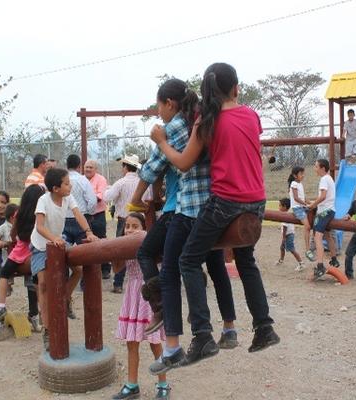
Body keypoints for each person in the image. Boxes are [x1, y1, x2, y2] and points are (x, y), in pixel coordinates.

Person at [150, 62, 279, 370]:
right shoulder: (252, 115)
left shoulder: (207, 122)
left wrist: (162, 142)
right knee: (246, 261)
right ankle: (264, 328)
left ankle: (203, 336)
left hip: (225, 200)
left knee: (188, 260)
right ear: (236, 88)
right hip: (257, 200)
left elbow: (183, 163)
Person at [131, 79, 238, 376]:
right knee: (216, 266)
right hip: (215, 207)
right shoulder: (200, 119)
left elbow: (156, 165)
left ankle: (174, 346)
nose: (158, 114)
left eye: (159, 107)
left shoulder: (177, 126)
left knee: (171, 271)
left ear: (169, 103)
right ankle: (229, 329)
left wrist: (136, 198)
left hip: (189, 207)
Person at [30, 168, 98, 351]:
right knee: (43, 284)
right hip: (41, 245)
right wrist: (53, 238)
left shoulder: (68, 198)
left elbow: (78, 215)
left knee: (78, 270)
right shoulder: (43, 200)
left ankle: (64, 298)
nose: (70, 186)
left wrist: (89, 232)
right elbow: (39, 227)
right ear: (55, 188)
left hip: (58, 242)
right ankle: (47, 329)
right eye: (67, 183)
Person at [112, 212, 170, 400]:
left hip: (148, 295)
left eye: (135, 226)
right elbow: (116, 268)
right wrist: (116, 249)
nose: (130, 230)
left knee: (155, 342)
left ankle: (163, 385)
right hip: (131, 295)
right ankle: (132, 385)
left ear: (144, 229)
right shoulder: (124, 244)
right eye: (127, 226)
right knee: (132, 343)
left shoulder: (149, 244)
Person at [0, 189, 43, 340]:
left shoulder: (18, 215)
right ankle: (38, 313)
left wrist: (14, 241)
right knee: (34, 281)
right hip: (31, 255)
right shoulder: (39, 216)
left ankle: (1, 307)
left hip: (16, 254)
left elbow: (14, 234)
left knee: (3, 275)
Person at [63, 154, 97, 318]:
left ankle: (63, 295)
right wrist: (89, 215)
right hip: (80, 219)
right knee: (87, 257)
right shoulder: (83, 180)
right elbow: (91, 201)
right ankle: (85, 286)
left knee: (61, 258)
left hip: (63, 220)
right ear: (79, 166)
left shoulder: (62, 180)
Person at [104, 155, 143, 294]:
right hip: (140, 220)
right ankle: (142, 281)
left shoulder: (121, 182)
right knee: (142, 250)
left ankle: (118, 283)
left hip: (124, 220)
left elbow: (107, 197)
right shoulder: (142, 182)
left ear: (125, 167)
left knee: (120, 251)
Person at [307, 159, 340, 280]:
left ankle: (320, 265)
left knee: (317, 238)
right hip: (330, 210)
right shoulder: (330, 178)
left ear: (322, 168)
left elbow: (323, 196)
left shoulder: (324, 179)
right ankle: (334, 259)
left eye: (316, 166)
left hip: (323, 212)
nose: (314, 169)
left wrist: (313, 205)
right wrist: (314, 202)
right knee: (327, 236)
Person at [83, 159, 112, 279]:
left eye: (90, 167)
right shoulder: (81, 179)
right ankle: (89, 268)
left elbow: (101, 196)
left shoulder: (101, 179)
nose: (88, 169)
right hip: (85, 215)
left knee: (101, 239)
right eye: (86, 167)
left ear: (96, 169)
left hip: (98, 214)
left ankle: (105, 269)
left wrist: (87, 199)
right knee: (85, 241)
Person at [288, 166, 314, 261]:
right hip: (297, 208)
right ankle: (307, 250)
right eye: (301, 174)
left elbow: (303, 197)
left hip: (302, 206)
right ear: (295, 175)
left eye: (303, 173)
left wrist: (311, 203)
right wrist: (306, 205)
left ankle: (314, 243)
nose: (303, 175)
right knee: (307, 226)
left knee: (315, 216)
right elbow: (296, 198)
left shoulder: (300, 184)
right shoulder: (294, 184)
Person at [276, 198, 304, 271]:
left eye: (280, 206)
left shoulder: (285, 216)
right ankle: (281, 260)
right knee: (282, 247)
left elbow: (285, 227)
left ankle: (301, 263)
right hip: (288, 234)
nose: (278, 207)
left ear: (284, 207)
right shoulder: (287, 214)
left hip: (288, 235)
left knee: (292, 249)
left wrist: (283, 237)